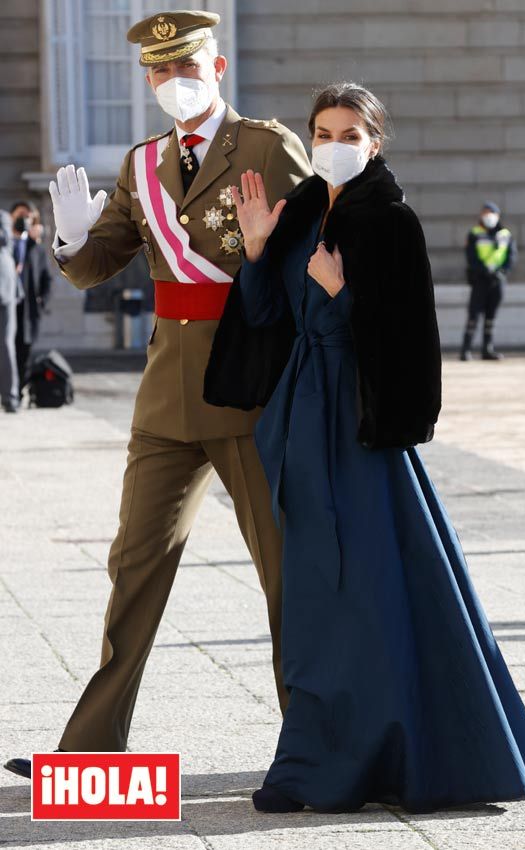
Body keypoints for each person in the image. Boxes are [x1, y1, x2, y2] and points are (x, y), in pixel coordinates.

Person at [204, 83, 525, 814]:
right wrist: (261, 252)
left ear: (374, 143)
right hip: (300, 419)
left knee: (373, 589)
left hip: (363, 427)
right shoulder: (298, 213)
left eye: (350, 133)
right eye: (323, 130)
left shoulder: (392, 223)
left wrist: (342, 296)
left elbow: (406, 339)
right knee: (313, 594)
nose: (335, 143)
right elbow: (268, 318)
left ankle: (394, 750)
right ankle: (311, 760)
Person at [4, 9, 311, 780]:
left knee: (284, 575)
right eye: (156, 72)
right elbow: (98, 262)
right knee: (133, 565)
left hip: (249, 388)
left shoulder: (268, 150)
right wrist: (71, 238)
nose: (169, 83)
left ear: (218, 69)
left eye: (183, 68)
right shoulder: (143, 163)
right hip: (167, 395)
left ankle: (312, 739)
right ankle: (92, 752)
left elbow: (314, 257)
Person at [460, 201, 517, 361]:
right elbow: (471, 257)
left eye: (491, 213)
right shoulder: (475, 233)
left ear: (498, 216)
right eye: (485, 213)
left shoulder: (505, 234)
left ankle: (487, 349)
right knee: (473, 315)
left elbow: (511, 257)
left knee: (491, 316)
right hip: (480, 280)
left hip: (497, 281)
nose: (488, 216)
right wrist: (484, 271)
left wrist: (502, 271)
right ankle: (466, 349)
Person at [10, 201, 53, 397]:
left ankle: (16, 393)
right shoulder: (5, 242)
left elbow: (46, 279)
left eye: (27, 217)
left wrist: (41, 301)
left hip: (27, 310)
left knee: (23, 352)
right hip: (7, 305)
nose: (23, 220)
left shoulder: (35, 248)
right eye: (20, 215)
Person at [0, 209, 20, 413]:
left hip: (4, 292)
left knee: (6, 345)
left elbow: (5, 239)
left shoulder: (3, 217)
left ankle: (10, 397)